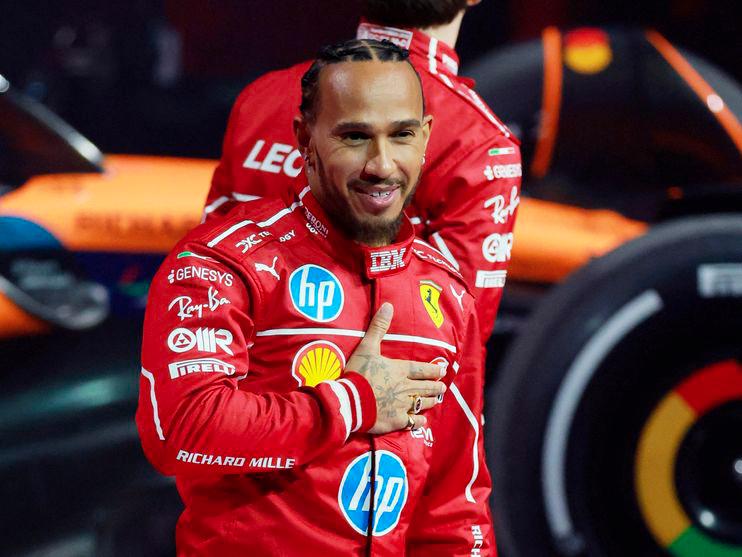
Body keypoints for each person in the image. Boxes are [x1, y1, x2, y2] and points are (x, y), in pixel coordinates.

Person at [137, 39, 496, 555]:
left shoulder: (446, 289)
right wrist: (352, 402)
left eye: (402, 136)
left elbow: (455, 506)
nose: (382, 164)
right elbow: (181, 432)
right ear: (304, 138)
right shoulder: (222, 261)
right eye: (354, 137)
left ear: (426, 140)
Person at [204, 0, 521, 346]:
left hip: (241, 381)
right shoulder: (480, 141)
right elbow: (455, 342)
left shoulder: (261, 96)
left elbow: (207, 283)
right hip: (375, 394)